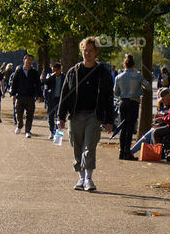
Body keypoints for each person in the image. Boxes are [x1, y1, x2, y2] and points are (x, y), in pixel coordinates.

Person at [58, 37, 115, 192]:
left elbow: (109, 98)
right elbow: (65, 95)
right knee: (76, 146)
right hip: (75, 115)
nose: (87, 53)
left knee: (89, 146)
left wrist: (109, 120)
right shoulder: (73, 72)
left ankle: (89, 179)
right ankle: (80, 178)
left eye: (91, 51)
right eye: (85, 50)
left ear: (96, 53)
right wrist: (60, 117)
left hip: (93, 116)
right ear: (81, 51)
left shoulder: (103, 73)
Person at [114, 54, 149, 160]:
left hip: (123, 102)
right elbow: (147, 86)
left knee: (123, 127)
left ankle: (121, 151)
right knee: (130, 127)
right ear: (133, 65)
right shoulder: (137, 75)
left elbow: (115, 92)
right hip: (133, 102)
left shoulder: (119, 77)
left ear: (124, 65)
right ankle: (127, 152)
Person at [130, 88, 170, 156]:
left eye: (163, 100)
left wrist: (162, 119)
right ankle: (134, 150)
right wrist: (162, 121)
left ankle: (158, 153)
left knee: (154, 132)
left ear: (168, 97)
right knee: (153, 130)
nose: (163, 102)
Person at [11, 55, 40, 138]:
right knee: (18, 113)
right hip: (20, 96)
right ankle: (20, 125)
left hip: (30, 97)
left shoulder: (34, 72)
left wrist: (39, 95)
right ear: (24, 61)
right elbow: (14, 83)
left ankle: (28, 131)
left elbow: (38, 84)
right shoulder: (19, 71)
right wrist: (13, 94)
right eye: (28, 61)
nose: (29, 63)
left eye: (31, 61)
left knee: (30, 115)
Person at [42, 62, 64, 137]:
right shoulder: (50, 76)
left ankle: (58, 134)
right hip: (51, 99)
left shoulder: (63, 77)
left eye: (56, 70)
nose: (54, 72)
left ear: (60, 70)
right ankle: (52, 131)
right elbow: (45, 83)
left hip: (60, 99)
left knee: (60, 117)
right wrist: (51, 76)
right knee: (50, 116)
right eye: (53, 70)